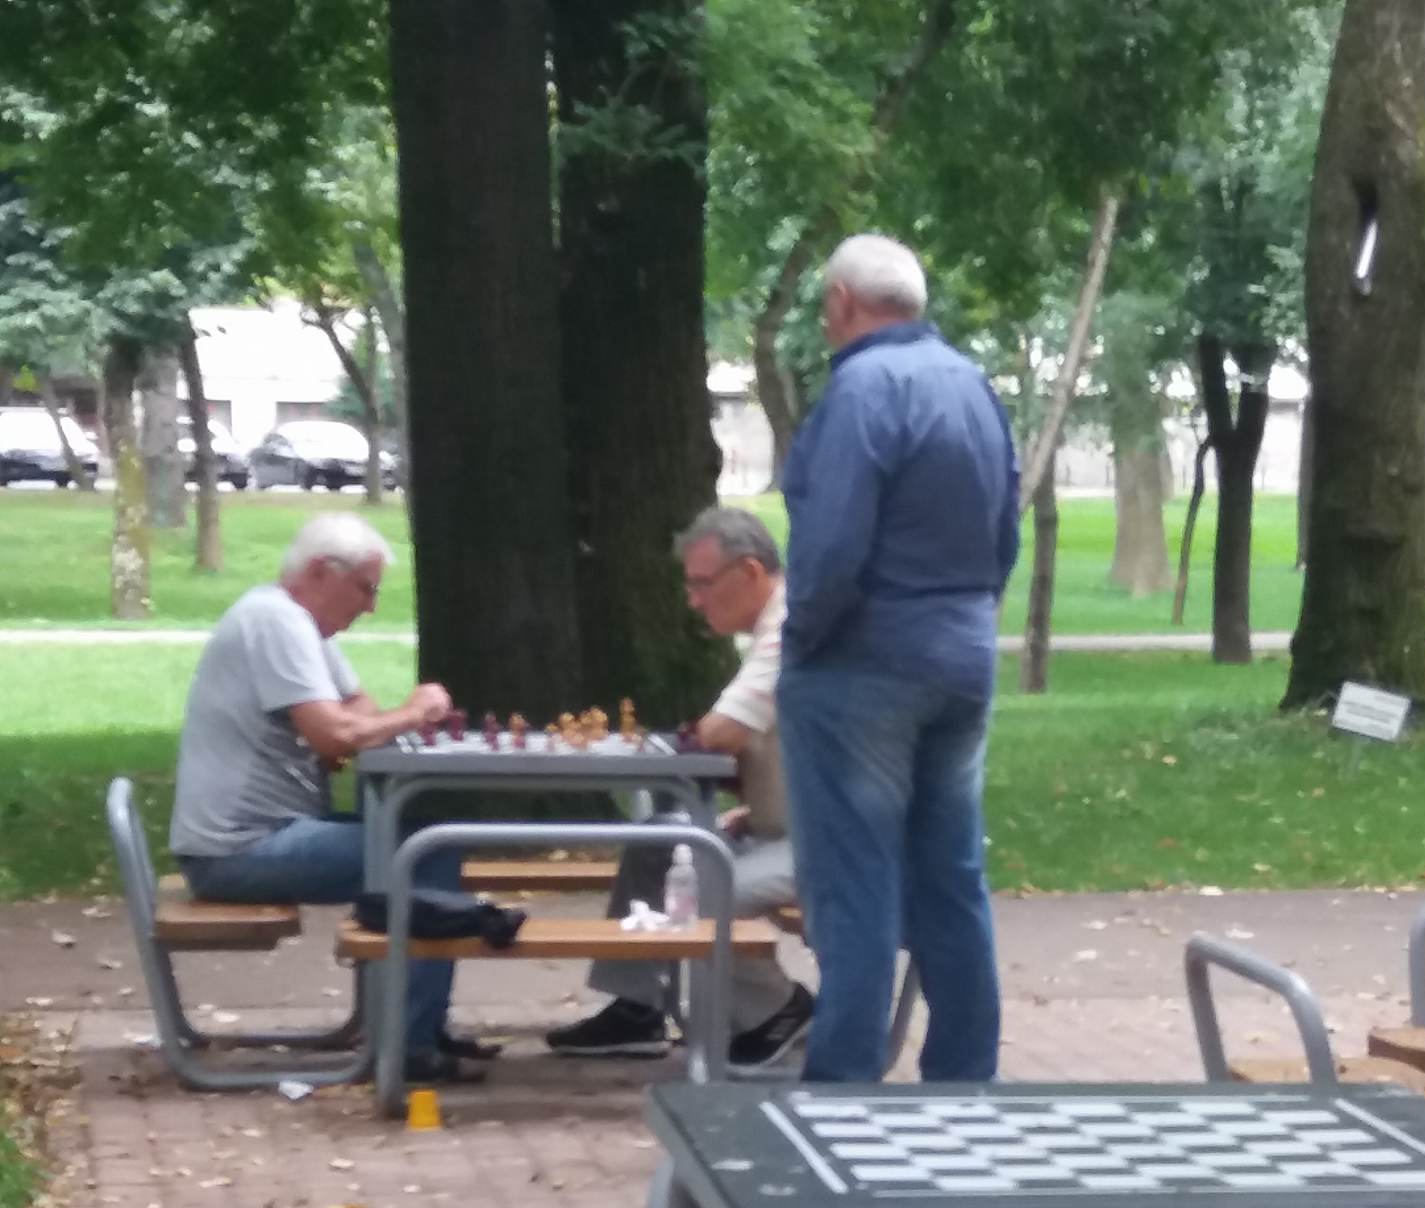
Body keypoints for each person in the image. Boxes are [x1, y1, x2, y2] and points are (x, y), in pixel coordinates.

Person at [777, 233, 1021, 1083]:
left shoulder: (861, 389)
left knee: (856, 886)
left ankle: (844, 1090)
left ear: (843, 301)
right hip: (963, 654)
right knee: (952, 878)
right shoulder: (973, 387)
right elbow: (1003, 535)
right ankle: (964, 1079)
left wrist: (802, 641)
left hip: (864, 663)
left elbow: (832, 544)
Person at [169, 511, 481, 1084]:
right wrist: (412, 713)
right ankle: (411, 1045)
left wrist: (373, 725)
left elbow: (357, 711)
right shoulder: (276, 622)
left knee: (415, 836)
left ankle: (408, 1025)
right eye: (364, 588)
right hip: (237, 851)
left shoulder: (303, 626)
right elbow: (337, 734)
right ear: (319, 572)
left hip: (262, 835)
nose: (371, 606)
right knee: (426, 854)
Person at [546, 507, 814, 1072]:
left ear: (749, 572)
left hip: (825, 845)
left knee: (703, 887)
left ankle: (778, 1009)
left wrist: (717, 749)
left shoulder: (790, 627)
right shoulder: (769, 627)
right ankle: (638, 1006)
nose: (693, 600)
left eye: (702, 584)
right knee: (658, 843)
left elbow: (721, 732)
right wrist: (756, 803)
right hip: (781, 827)